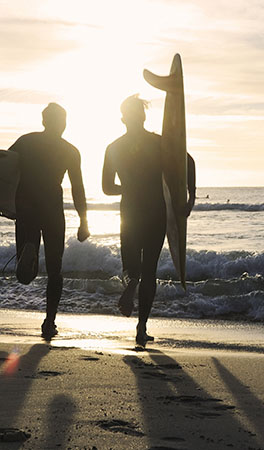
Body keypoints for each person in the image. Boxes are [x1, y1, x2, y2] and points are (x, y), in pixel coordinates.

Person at [102, 95, 194, 347]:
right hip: (156, 210)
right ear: (143, 117)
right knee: (150, 269)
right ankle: (141, 328)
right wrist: (190, 197)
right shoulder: (160, 144)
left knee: (132, 267)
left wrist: (129, 187)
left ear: (123, 119)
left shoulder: (113, 147)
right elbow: (189, 162)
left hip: (130, 210)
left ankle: (131, 282)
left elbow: (107, 188)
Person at [9, 103, 90, 340]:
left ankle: (29, 249)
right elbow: (78, 188)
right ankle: (49, 322)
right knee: (55, 269)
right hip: (53, 209)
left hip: (26, 207)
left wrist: (5, 204)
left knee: (25, 276)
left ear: (44, 121)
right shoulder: (70, 151)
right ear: (63, 124)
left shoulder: (25, 142)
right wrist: (84, 220)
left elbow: (4, 169)